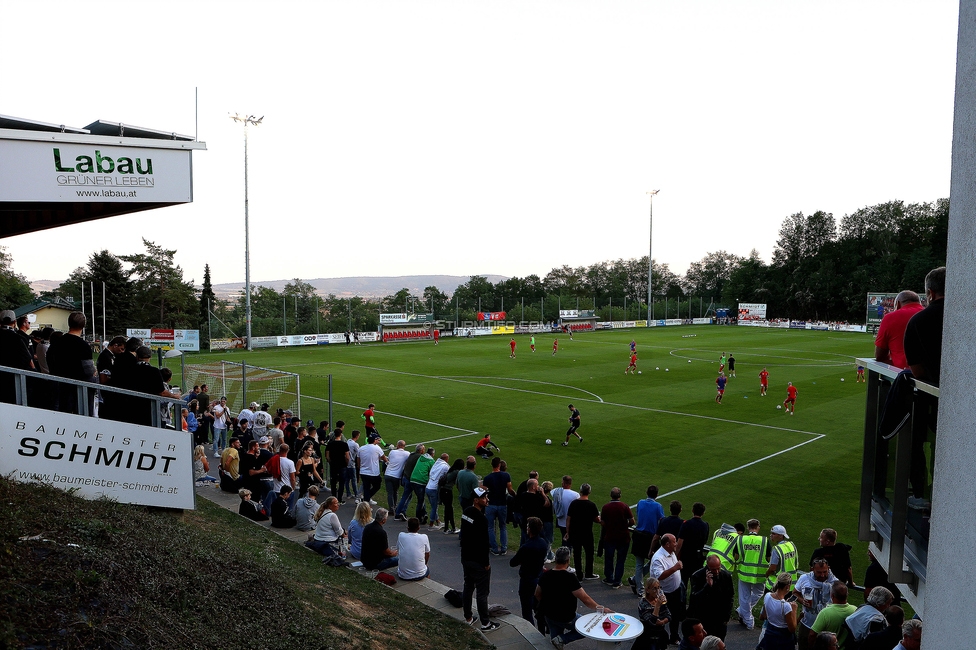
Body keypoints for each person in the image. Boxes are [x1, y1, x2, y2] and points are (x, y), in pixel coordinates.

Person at [535, 546, 611, 648]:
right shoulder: (570, 578)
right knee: (586, 628)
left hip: (549, 615)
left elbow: (537, 594)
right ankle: (563, 639)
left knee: (555, 643)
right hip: (566, 616)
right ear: (568, 560)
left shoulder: (545, 575)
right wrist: (601, 608)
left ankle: (559, 640)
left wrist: (548, 604)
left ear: (556, 559)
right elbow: (585, 598)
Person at [460, 487, 499, 632]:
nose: (487, 499)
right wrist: (486, 563)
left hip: (466, 557)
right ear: (476, 500)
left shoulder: (466, 512)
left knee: (468, 586)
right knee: (482, 593)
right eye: (484, 498)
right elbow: (483, 543)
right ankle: (485, 623)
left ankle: (468, 617)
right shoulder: (481, 519)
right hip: (478, 561)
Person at [903, 267, 946, 385]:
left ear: (931, 293)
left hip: (934, 391)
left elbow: (917, 371)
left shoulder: (917, 321)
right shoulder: (968, 316)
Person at [510, 516, 548, 625]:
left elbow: (513, 562)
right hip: (538, 578)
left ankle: (530, 630)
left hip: (527, 580)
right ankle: (542, 627)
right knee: (538, 607)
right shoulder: (543, 543)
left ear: (529, 529)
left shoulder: (526, 547)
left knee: (526, 610)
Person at [793, 558, 837, 650]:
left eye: (825, 571)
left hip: (826, 627)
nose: (822, 575)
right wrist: (802, 601)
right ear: (812, 569)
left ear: (828, 568)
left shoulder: (835, 583)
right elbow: (795, 593)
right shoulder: (804, 578)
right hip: (807, 624)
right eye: (819, 572)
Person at [688, 556, 734, 641]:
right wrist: (707, 586)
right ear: (707, 567)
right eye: (713, 569)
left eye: (718, 568)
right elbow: (695, 599)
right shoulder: (697, 576)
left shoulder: (726, 576)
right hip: (704, 618)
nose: (716, 572)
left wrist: (726, 617)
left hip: (720, 618)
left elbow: (730, 597)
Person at [630, 485, 665, 596]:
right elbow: (662, 520)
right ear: (657, 494)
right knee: (653, 561)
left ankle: (636, 580)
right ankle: (639, 587)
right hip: (650, 537)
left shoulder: (640, 502)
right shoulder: (658, 506)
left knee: (639, 563)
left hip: (639, 534)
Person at [651, 534, 685, 645]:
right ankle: (660, 639)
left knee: (675, 615)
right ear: (667, 544)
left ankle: (674, 637)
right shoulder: (658, 558)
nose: (676, 544)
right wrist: (676, 567)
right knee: (662, 616)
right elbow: (659, 576)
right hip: (663, 593)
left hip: (675, 590)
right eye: (674, 542)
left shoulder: (671, 553)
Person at [565, 482, 601, 580]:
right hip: (587, 533)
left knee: (577, 554)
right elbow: (597, 520)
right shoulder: (591, 505)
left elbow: (568, 519)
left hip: (575, 533)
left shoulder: (574, 503)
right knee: (589, 553)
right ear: (589, 492)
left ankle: (579, 575)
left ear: (580, 491)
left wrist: (567, 532)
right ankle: (589, 573)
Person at [601, 486, 634, 589]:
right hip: (623, 537)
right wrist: (625, 526)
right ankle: (617, 580)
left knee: (609, 558)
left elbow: (602, 522)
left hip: (610, 536)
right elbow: (632, 521)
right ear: (620, 496)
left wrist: (609, 527)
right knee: (620, 560)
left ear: (611, 495)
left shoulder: (605, 507)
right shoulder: (624, 506)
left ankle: (609, 578)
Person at [483, 456, 515, 555]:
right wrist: (516, 496)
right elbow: (510, 490)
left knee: (490, 527)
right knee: (503, 526)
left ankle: (494, 548)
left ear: (491, 465)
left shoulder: (487, 478)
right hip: (502, 504)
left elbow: (484, 491)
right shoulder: (506, 475)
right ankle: (504, 548)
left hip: (491, 504)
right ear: (499, 465)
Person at [758, 573, 798, 650]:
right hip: (783, 640)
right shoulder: (786, 606)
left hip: (769, 635)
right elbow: (792, 629)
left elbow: (763, 616)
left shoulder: (767, 596)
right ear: (788, 587)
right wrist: (794, 610)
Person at [676, 502, 710, 586]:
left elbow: (680, 542)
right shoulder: (705, 525)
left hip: (686, 557)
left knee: (683, 581)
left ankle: (682, 598)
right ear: (703, 513)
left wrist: (675, 555)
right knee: (695, 583)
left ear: (692, 510)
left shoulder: (686, 524)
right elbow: (705, 541)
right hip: (697, 558)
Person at [635, 577, 672, 650]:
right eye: (654, 588)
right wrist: (657, 606)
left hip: (660, 634)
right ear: (648, 590)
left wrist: (662, 622)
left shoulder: (660, 600)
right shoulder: (643, 603)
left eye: (659, 588)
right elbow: (652, 622)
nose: (657, 591)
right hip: (647, 636)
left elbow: (668, 615)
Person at [394, 444, 427, 519]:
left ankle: (400, 512)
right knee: (420, 497)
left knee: (406, 496)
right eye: (423, 449)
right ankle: (423, 514)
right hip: (411, 479)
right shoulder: (420, 457)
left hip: (405, 477)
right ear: (421, 450)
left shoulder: (411, 455)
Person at [765, 525, 800, 590]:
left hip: (777, 585)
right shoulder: (792, 545)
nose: (771, 535)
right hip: (791, 585)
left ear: (781, 536)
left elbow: (772, 568)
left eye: (773, 534)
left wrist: (766, 575)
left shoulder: (776, 549)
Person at [359, 436, 388, 507]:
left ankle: (366, 501)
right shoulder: (377, 448)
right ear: (374, 440)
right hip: (373, 473)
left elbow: (358, 460)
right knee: (377, 486)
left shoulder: (361, 448)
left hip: (363, 472)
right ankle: (366, 500)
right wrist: (387, 461)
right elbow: (384, 457)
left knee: (366, 488)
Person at [424, 452, 450, 529]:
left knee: (433, 506)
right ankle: (431, 524)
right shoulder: (445, 466)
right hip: (434, 489)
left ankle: (438, 521)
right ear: (446, 459)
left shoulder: (436, 463)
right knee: (434, 507)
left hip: (428, 487)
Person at [551, 475, 580, 545]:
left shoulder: (555, 492)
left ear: (563, 483)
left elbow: (551, 491)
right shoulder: (576, 495)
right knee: (570, 540)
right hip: (571, 522)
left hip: (560, 520)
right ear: (570, 484)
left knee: (564, 538)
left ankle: (563, 553)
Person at [384, 439, 410, 511]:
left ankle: (391, 508)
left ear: (398, 445)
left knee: (390, 493)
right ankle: (395, 506)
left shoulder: (392, 452)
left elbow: (389, 460)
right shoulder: (407, 454)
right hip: (396, 476)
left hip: (388, 474)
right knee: (395, 492)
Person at [440, 458, 463, 534]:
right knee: (449, 510)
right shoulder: (456, 472)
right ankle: (451, 528)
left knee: (448, 509)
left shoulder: (451, 470)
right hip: (447, 491)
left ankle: (448, 527)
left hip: (443, 491)